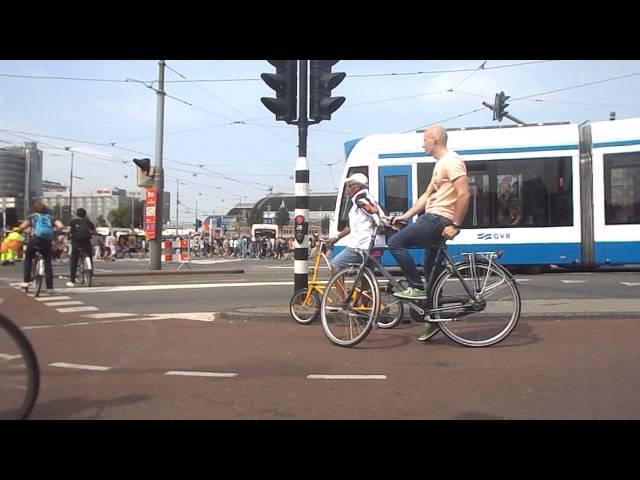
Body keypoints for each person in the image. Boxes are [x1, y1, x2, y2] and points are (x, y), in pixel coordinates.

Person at [388, 124, 470, 341]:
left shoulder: (452, 161)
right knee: (432, 271)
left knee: (396, 243)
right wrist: (405, 216)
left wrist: (456, 224)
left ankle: (415, 288)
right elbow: (426, 195)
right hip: (433, 216)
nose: (422, 143)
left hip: (437, 218)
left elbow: (464, 194)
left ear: (434, 139)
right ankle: (435, 320)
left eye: (425, 139)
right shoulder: (440, 165)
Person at [327, 173, 382, 298]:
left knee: (336, 265)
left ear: (357, 186)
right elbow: (349, 227)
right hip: (374, 245)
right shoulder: (364, 200)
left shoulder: (361, 200)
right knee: (365, 278)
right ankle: (365, 312)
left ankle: (343, 300)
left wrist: (378, 220)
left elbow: (373, 212)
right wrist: (336, 238)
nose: (347, 189)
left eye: (349, 186)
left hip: (362, 245)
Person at [14, 200, 65, 294]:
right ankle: (50, 288)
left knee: (28, 258)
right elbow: (61, 226)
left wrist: (17, 229)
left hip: (35, 240)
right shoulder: (51, 217)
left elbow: (22, 227)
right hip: (47, 242)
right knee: (48, 263)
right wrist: (56, 232)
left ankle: (26, 281)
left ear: (35, 210)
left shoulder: (32, 217)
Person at [66, 208, 96, 287]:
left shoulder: (72, 221)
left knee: (74, 261)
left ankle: (72, 280)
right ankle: (91, 275)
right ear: (85, 214)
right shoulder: (88, 222)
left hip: (76, 242)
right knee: (89, 257)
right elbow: (94, 230)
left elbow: (68, 230)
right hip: (86, 242)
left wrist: (67, 234)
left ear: (76, 214)